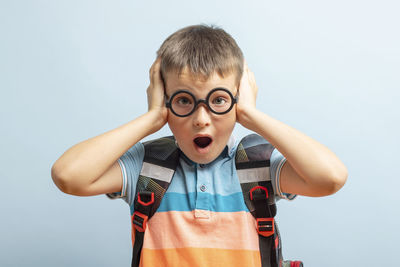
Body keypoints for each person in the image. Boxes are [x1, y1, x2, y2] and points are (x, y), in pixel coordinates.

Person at [51, 24, 348, 266]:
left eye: (219, 100)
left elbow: (330, 178)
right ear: (164, 100)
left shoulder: (257, 164)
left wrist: (252, 116)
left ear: (238, 99)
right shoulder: (148, 167)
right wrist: (152, 118)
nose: (200, 119)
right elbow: (68, 175)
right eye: (183, 101)